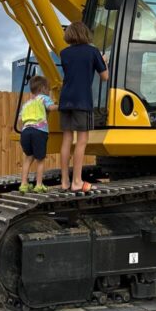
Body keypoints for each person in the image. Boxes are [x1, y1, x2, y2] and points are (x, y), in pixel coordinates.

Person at [57, 22, 109, 193]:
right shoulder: (92, 51)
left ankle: (65, 181)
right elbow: (105, 77)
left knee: (66, 140)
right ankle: (77, 181)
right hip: (82, 100)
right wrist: (103, 62)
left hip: (65, 100)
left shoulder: (64, 53)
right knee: (81, 141)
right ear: (85, 34)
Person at [18, 75, 56, 194]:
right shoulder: (44, 98)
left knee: (28, 158)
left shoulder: (27, 103)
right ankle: (39, 185)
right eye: (48, 89)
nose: (49, 91)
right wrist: (62, 106)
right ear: (43, 88)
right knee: (40, 160)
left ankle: (24, 184)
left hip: (25, 132)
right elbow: (51, 107)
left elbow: (20, 119)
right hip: (39, 132)